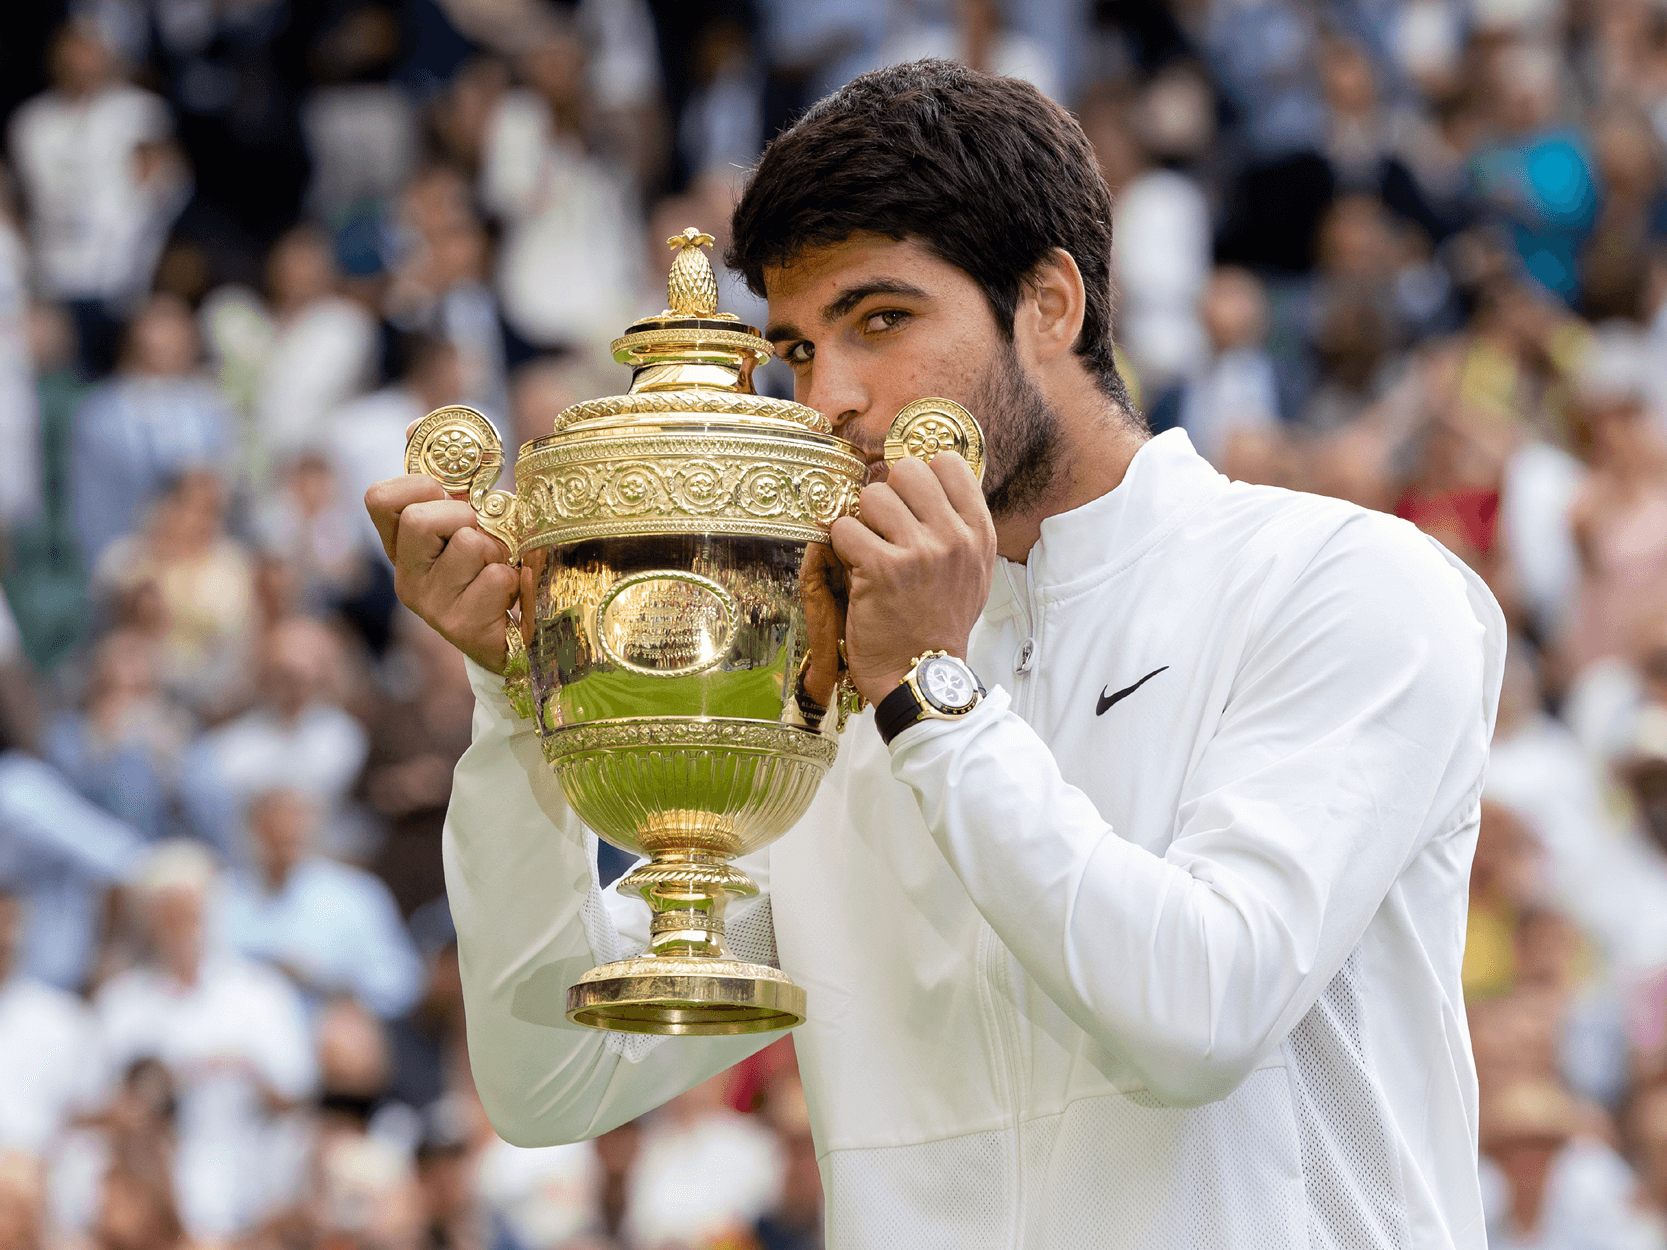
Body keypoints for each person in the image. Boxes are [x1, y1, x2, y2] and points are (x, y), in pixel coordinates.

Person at [367, 61, 1505, 1248]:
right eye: (798, 350)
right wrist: (518, 703)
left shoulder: (1345, 582)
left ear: (1050, 303)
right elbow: (549, 1077)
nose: (833, 400)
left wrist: (929, 694)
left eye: (881, 319)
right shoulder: (830, 702)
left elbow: (1199, 1012)